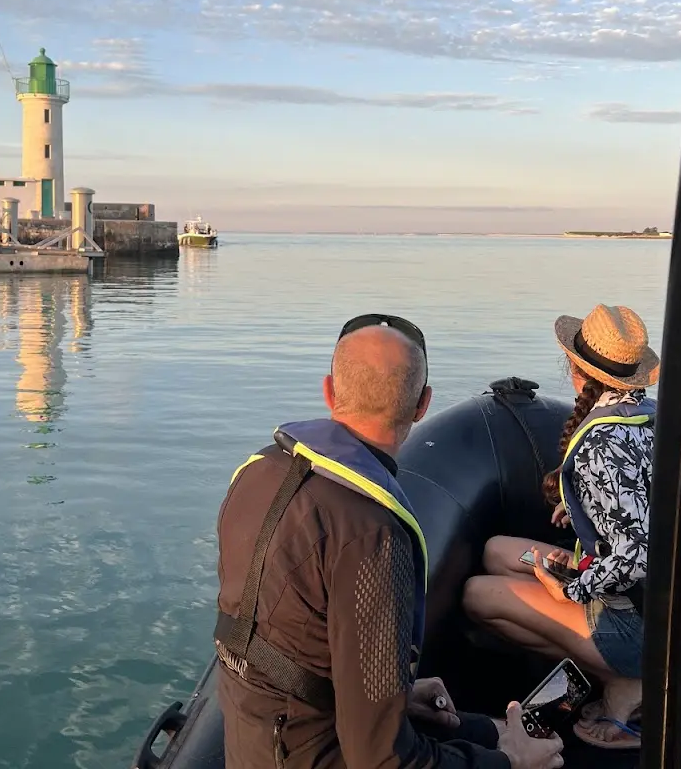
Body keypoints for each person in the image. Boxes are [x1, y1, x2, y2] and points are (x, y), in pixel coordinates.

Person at [216, 315, 565, 769]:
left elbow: (294, 641)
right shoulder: (372, 535)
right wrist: (510, 763)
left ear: (329, 390)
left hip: (258, 741)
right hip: (315, 754)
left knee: (481, 727)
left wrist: (395, 695)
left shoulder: (257, 473)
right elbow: (382, 762)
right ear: (423, 406)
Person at [463, 304, 658, 752]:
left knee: (478, 594)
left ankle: (630, 682)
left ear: (575, 368)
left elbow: (638, 554)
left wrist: (571, 590)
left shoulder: (601, 446)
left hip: (634, 620)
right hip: (657, 604)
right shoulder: (648, 415)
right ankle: (623, 675)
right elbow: (644, 509)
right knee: (497, 551)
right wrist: (582, 510)